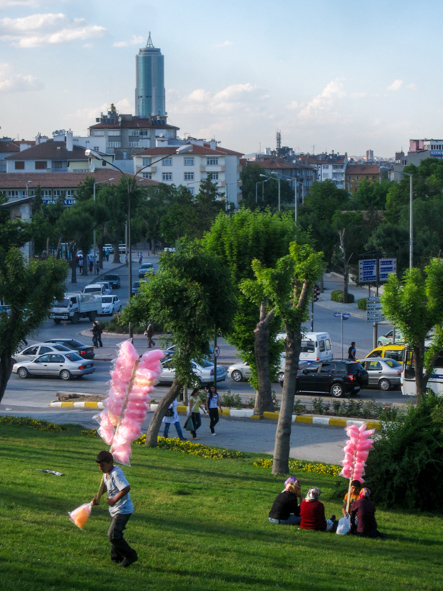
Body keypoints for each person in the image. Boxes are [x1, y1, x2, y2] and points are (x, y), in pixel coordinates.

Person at [91, 450, 138, 567]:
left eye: (102, 465)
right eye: (98, 466)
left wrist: (114, 500)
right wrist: (97, 497)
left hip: (123, 509)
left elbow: (126, 488)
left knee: (113, 535)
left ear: (110, 462)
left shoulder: (116, 473)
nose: (100, 468)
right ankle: (116, 558)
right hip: (115, 509)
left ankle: (131, 555)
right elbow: (106, 486)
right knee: (114, 534)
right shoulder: (107, 472)